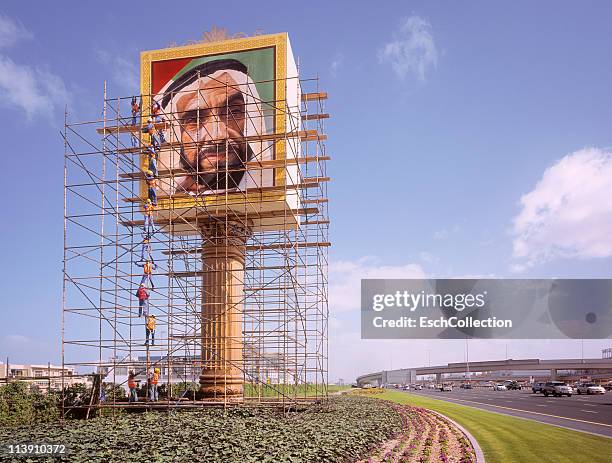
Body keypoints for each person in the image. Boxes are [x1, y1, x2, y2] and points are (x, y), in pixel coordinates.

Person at [156, 59, 271, 193]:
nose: (217, 136)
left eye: (233, 113)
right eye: (195, 119)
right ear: (178, 132)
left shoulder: (267, 184)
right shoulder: (174, 201)